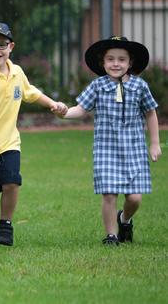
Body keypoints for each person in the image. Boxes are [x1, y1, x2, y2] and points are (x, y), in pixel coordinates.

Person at [0, 22, 67, 250]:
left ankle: (5, 224)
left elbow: (31, 92)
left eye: (1, 45)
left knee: (11, 182)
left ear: (11, 46)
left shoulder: (16, 72)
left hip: (9, 142)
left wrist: (52, 104)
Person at [60, 36, 161, 245]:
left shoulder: (140, 86)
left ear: (130, 63)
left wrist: (154, 143)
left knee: (134, 198)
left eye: (121, 59)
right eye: (111, 59)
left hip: (134, 150)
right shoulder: (97, 86)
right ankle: (111, 235)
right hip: (106, 149)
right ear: (102, 63)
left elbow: (151, 113)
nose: (116, 64)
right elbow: (81, 109)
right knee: (109, 195)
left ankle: (124, 219)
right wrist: (63, 112)